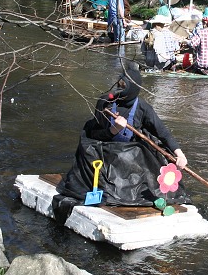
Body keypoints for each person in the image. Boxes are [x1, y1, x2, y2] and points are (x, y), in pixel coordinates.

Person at [54, 63, 190, 214]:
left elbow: (162, 132)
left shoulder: (143, 108)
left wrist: (179, 153)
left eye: (123, 85)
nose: (119, 89)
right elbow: (94, 135)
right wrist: (114, 130)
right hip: (104, 152)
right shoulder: (105, 102)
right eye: (119, 84)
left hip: (128, 156)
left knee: (149, 154)